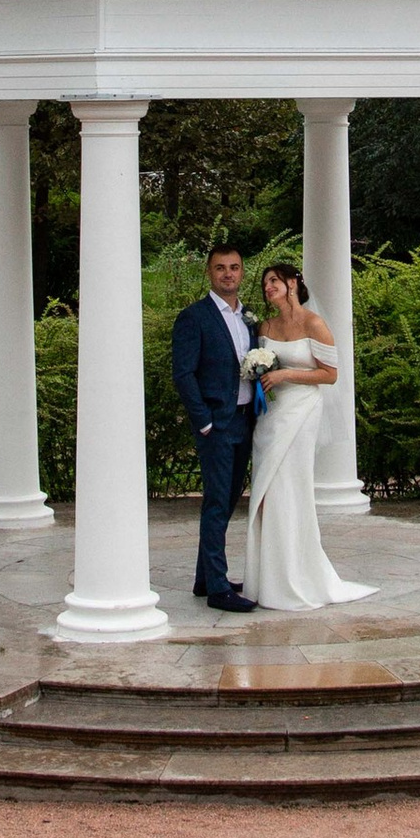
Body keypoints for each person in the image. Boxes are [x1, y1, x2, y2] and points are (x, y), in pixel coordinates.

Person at [241, 260, 374, 612]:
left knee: (290, 486)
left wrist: (285, 377)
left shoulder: (315, 324)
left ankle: (297, 578)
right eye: (265, 282)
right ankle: (266, 577)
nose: (268, 287)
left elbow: (330, 375)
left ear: (293, 283)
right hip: (270, 415)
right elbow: (261, 365)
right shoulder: (265, 326)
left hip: (302, 411)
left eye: (274, 281)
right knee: (267, 490)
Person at [169, 245, 259, 611]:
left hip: (245, 420)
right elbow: (183, 373)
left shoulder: (249, 318)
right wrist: (203, 421)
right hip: (216, 425)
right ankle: (219, 589)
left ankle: (205, 578)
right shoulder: (194, 317)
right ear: (209, 273)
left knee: (228, 499)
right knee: (218, 502)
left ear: (241, 273)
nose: (228, 274)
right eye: (220, 268)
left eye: (234, 267)